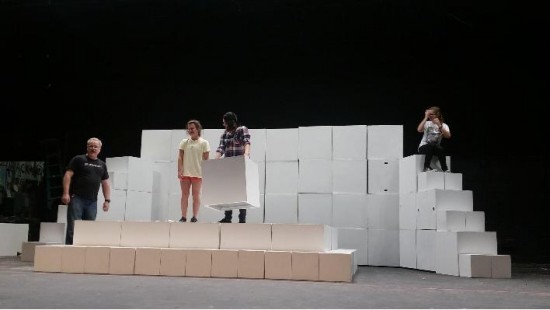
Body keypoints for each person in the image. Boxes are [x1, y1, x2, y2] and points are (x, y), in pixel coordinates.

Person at [61, 137, 111, 245]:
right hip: (77, 199)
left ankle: (84, 253)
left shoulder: (102, 165)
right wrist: (65, 193)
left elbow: (105, 183)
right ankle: (70, 252)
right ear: (87, 147)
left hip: (92, 201)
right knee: (73, 227)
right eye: (91, 146)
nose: (93, 148)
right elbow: (67, 175)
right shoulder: (78, 159)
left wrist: (107, 200)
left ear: (100, 149)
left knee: (89, 229)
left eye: (95, 146)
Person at [216, 111, 251, 223]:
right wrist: (214, 160)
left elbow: (247, 142)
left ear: (230, 121)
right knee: (228, 191)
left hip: (240, 164)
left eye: (224, 122)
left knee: (242, 192)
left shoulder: (241, 129)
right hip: (228, 165)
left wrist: (246, 154)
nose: (224, 124)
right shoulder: (224, 135)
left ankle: (242, 219)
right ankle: (227, 217)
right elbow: (220, 149)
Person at [177, 119, 210, 222]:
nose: (190, 130)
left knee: (196, 195)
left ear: (197, 129)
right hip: (185, 173)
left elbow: (206, 159)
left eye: (192, 128)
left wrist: (205, 172)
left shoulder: (204, 143)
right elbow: (180, 157)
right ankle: (183, 216)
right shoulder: (184, 142)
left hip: (198, 173)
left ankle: (195, 216)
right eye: (189, 129)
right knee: (184, 195)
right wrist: (180, 170)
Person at [417, 106, 451, 172]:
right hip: (423, 147)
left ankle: (445, 168)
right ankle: (426, 167)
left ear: (437, 115)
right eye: (428, 114)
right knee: (430, 146)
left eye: (431, 114)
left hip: (435, 148)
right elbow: (419, 130)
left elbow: (448, 136)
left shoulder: (444, 125)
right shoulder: (427, 123)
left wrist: (439, 125)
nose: (429, 116)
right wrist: (426, 117)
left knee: (441, 149)